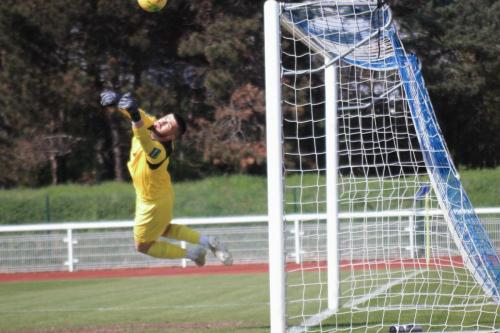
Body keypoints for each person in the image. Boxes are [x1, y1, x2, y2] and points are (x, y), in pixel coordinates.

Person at [100, 90, 233, 267]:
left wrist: (133, 115)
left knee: (142, 246)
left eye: (168, 124)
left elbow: (143, 137)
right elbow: (134, 111)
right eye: (165, 118)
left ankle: (193, 253)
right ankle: (207, 241)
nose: (162, 121)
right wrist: (116, 101)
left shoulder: (160, 151)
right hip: (162, 195)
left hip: (151, 204)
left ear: (170, 136)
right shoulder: (152, 123)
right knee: (164, 229)